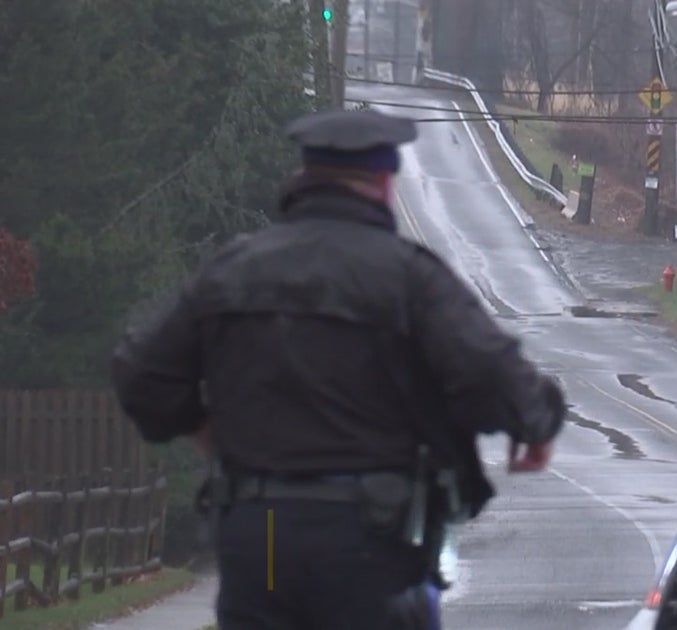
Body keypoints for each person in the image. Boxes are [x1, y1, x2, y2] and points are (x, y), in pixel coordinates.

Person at [110, 108, 567, 630]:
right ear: (383, 181)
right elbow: (490, 371)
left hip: (262, 537)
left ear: (304, 178)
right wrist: (536, 423)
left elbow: (140, 372)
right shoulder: (407, 277)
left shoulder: (232, 271)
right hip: (366, 539)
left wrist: (204, 431)